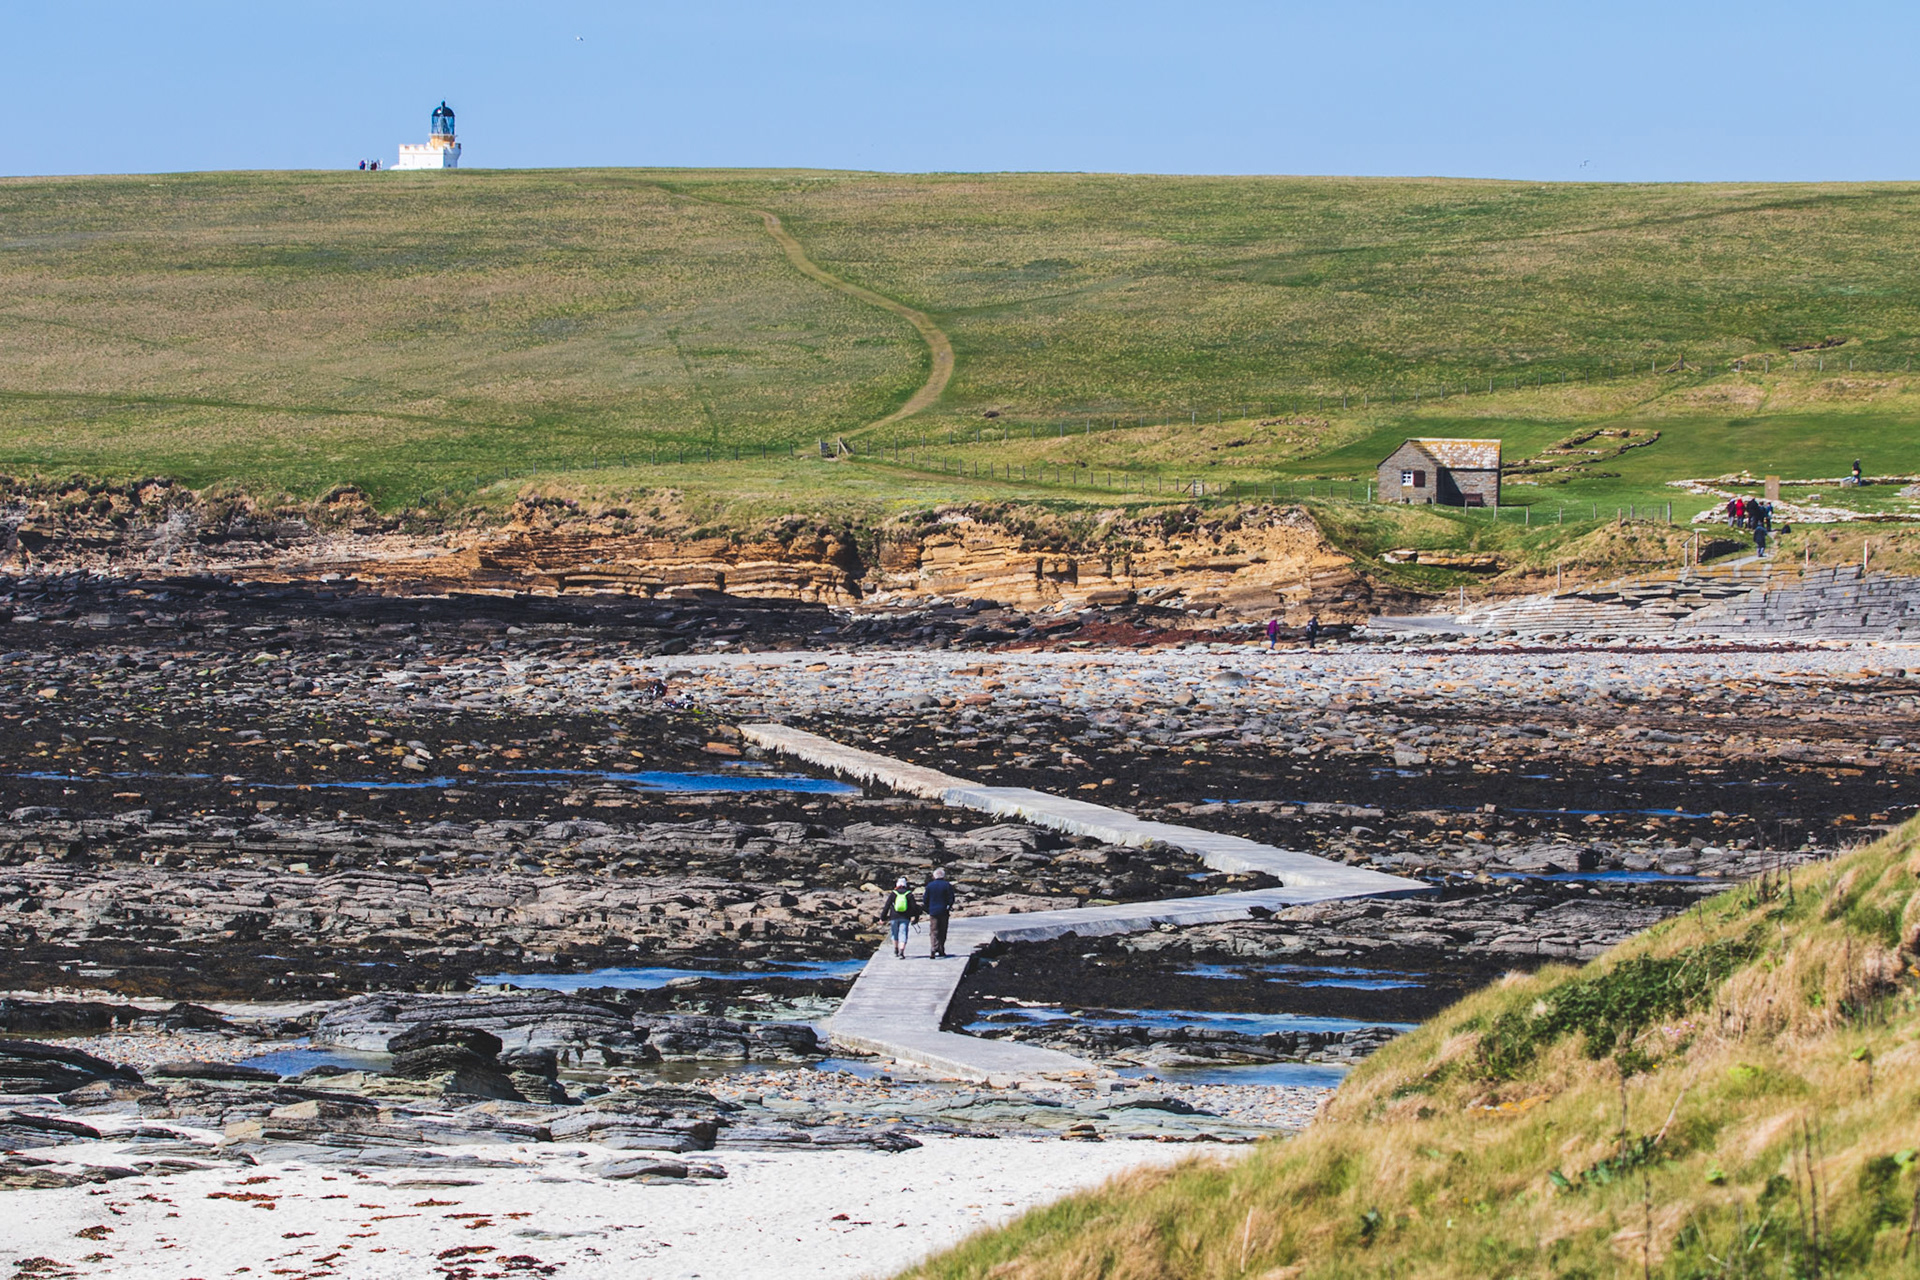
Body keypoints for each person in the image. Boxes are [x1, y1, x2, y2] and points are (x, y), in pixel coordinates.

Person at [882, 877, 920, 959]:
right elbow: (914, 907)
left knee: (894, 934)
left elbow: (887, 906)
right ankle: (901, 951)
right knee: (903, 934)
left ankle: (896, 950)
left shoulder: (893, 893)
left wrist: (882, 918)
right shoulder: (909, 894)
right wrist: (915, 917)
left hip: (894, 917)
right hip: (905, 917)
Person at [924, 868, 957, 959]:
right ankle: (941, 948)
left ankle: (933, 948)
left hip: (933, 911)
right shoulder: (947, 885)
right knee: (943, 930)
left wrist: (928, 908)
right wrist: (949, 906)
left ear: (934, 876)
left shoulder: (930, 886)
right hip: (944, 911)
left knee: (934, 930)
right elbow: (951, 898)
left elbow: (925, 899)